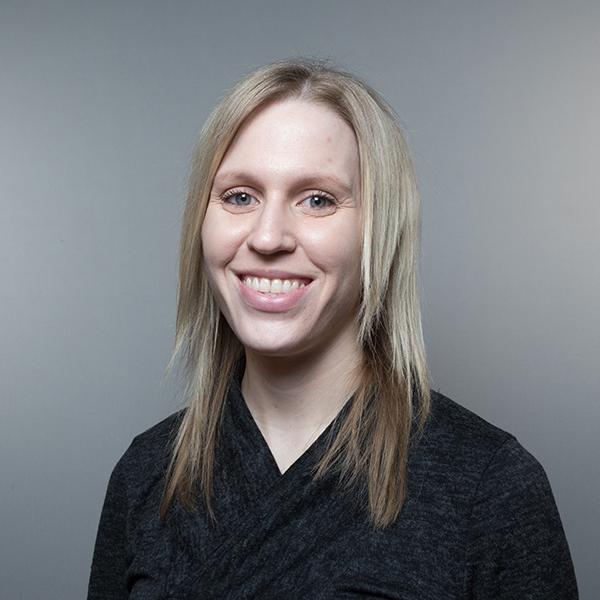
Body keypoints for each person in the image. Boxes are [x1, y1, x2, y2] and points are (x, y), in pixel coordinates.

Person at [87, 57, 579, 599]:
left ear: (379, 231)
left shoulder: (490, 487)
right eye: (240, 196)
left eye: (317, 199)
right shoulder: (145, 473)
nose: (269, 236)